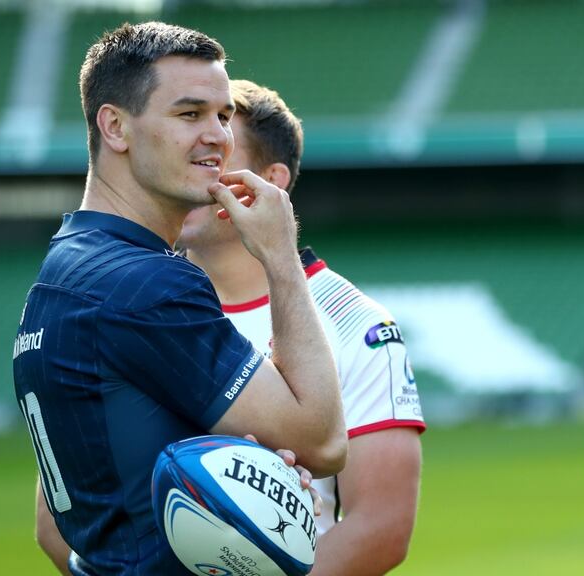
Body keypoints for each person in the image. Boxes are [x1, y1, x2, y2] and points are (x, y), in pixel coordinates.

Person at [16, 22, 346, 575]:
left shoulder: (67, 265)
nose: (218, 136)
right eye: (190, 114)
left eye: (223, 115)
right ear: (115, 126)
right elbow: (322, 440)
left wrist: (256, 481)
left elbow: (60, 527)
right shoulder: (145, 284)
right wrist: (281, 255)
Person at [176, 79, 426, 576]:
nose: (193, 174)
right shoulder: (129, 302)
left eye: (217, 157)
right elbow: (60, 518)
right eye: (186, 154)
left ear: (272, 181)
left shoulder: (357, 323)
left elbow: (382, 524)